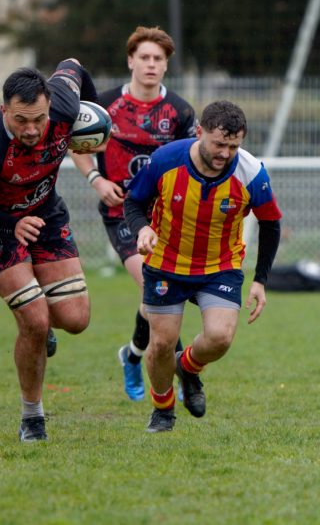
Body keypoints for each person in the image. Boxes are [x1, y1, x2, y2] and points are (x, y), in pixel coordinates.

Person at [0, 60, 102, 442]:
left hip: (44, 210)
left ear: (51, 106)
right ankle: (32, 416)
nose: (32, 130)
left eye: (39, 119)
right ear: (4, 110)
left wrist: (99, 117)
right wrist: (10, 224)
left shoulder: (66, 104)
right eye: (21, 120)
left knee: (76, 319)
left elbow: (74, 67)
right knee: (34, 318)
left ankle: (40, 328)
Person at [123, 100, 282, 432]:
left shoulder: (251, 173)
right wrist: (143, 228)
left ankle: (189, 368)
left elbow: (271, 223)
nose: (225, 153)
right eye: (219, 144)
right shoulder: (165, 161)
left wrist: (260, 280)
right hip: (166, 263)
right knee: (162, 344)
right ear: (199, 133)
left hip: (219, 266)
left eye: (233, 146)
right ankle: (163, 409)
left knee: (220, 337)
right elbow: (134, 201)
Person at [70, 26, 196, 402]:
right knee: (154, 285)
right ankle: (186, 377)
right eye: (144, 57)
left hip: (165, 215)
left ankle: (133, 354)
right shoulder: (104, 105)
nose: (151, 64)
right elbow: (77, 147)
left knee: (156, 294)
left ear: (166, 65)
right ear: (130, 61)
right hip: (122, 211)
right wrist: (96, 179)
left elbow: (190, 160)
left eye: (158, 59)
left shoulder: (179, 111)